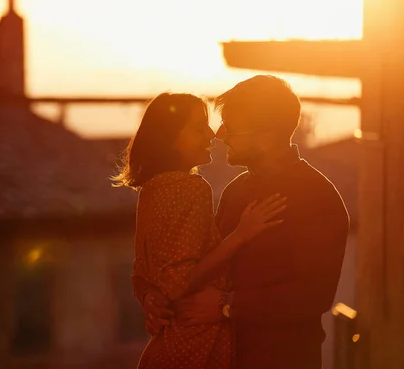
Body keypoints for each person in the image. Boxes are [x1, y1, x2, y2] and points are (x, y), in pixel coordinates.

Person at [137, 76, 350, 369]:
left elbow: (313, 296)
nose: (220, 134)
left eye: (232, 127)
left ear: (264, 137)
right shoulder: (235, 191)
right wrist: (152, 297)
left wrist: (227, 306)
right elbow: (191, 262)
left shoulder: (317, 197)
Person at [113, 92, 286, 369]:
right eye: (197, 128)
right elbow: (180, 281)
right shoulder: (193, 188)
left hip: (167, 346)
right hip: (195, 345)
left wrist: (148, 297)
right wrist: (241, 236)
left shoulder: (152, 190)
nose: (210, 135)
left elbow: (142, 274)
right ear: (170, 139)